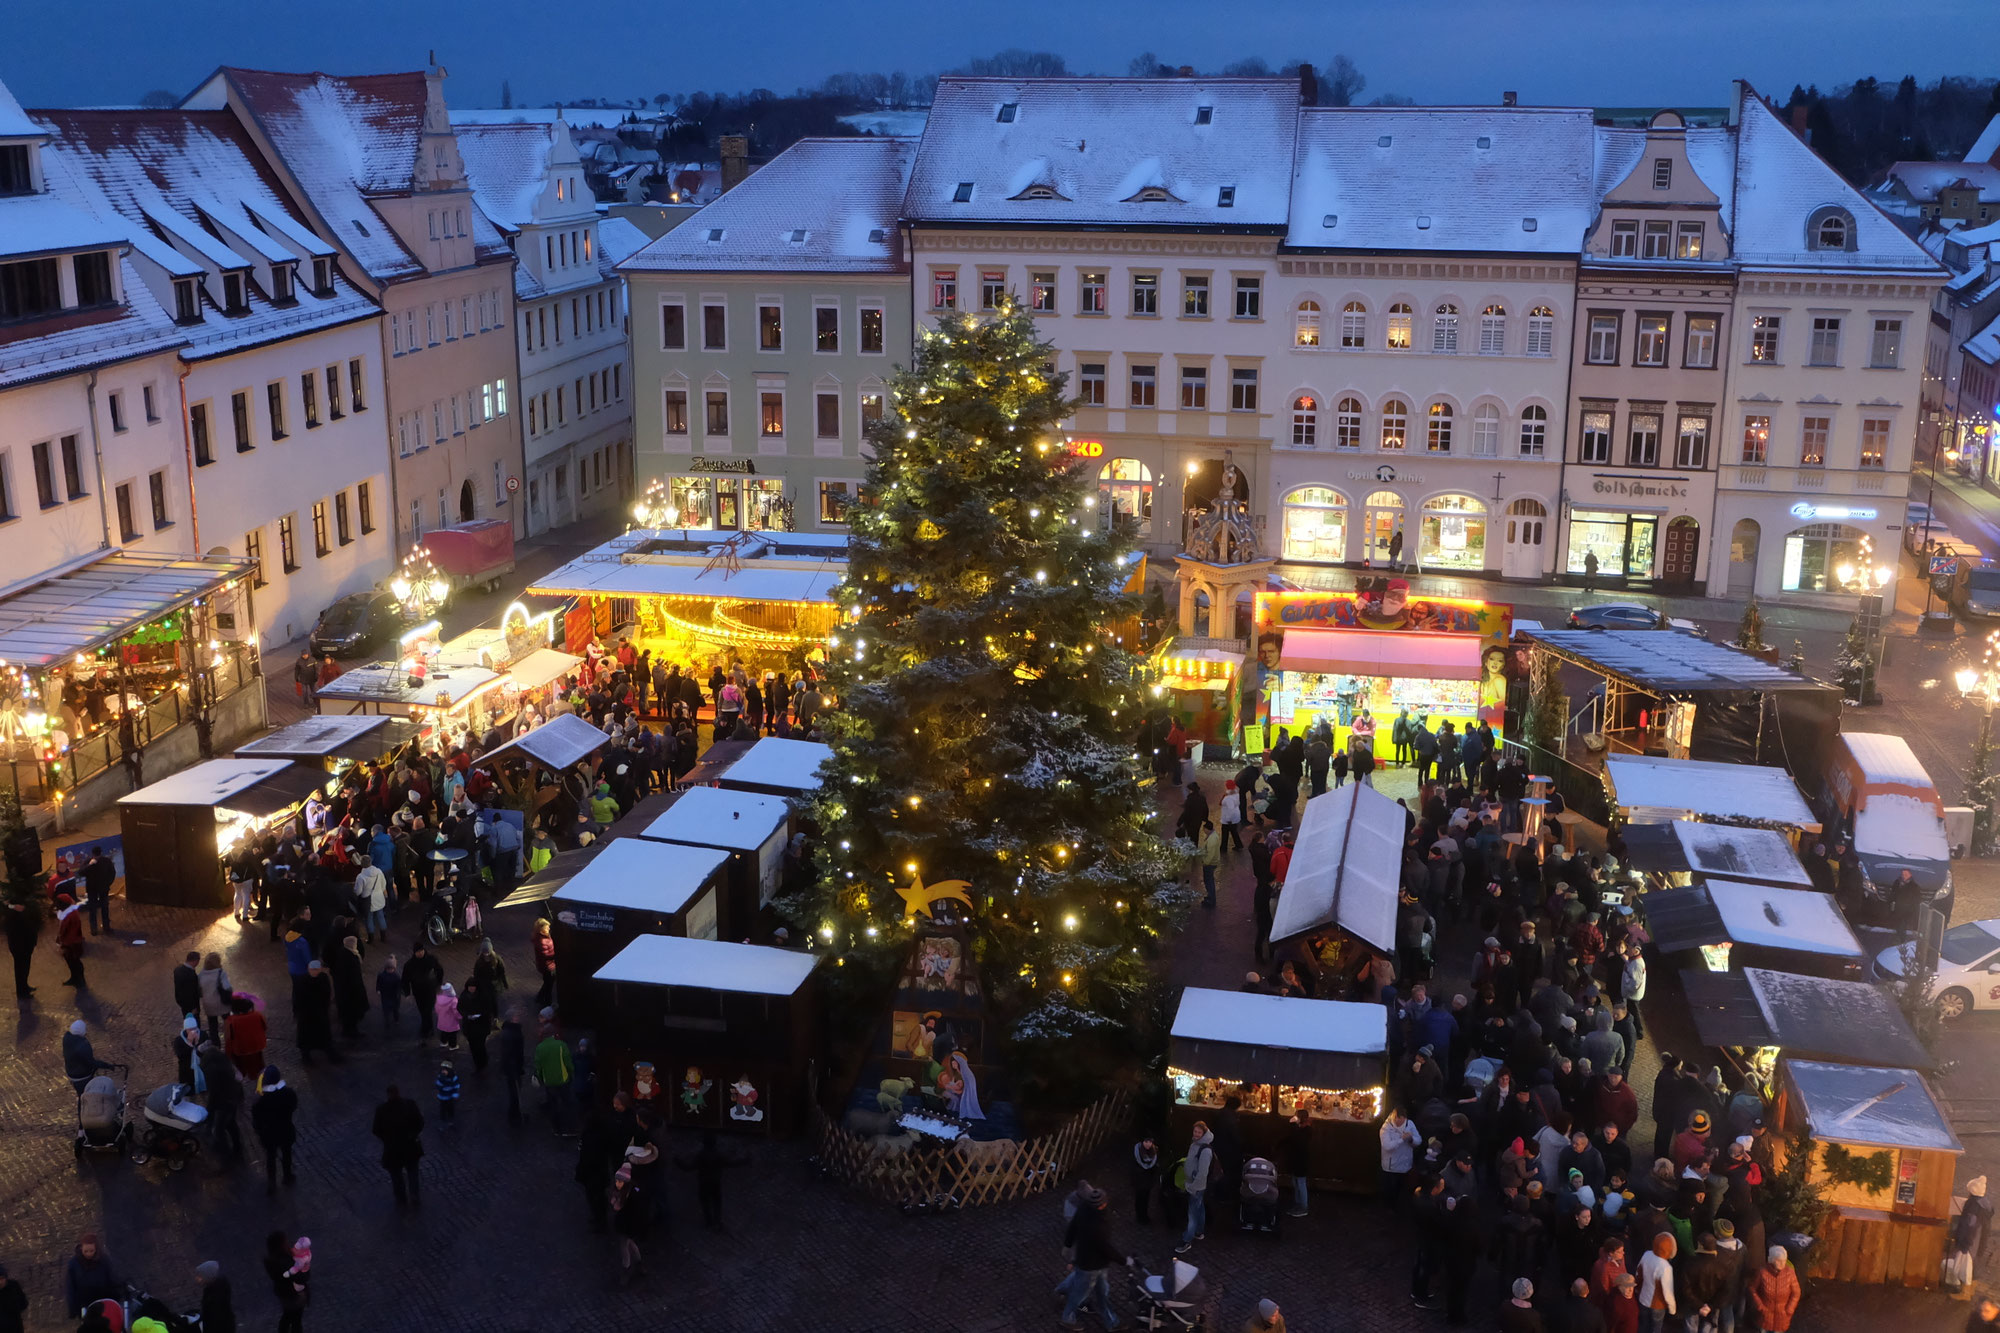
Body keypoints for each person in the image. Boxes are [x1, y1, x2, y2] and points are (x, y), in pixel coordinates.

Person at [1059, 1182, 1127, 1330]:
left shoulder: (1084, 1209)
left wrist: (1068, 1244)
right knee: (1080, 1294)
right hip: (1092, 1265)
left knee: (1101, 1293)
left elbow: (1073, 1226)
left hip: (1088, 1261)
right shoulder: (1097, 1225)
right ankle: (1067, 1318)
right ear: (1102, 1205)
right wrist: (1124, 1261)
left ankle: (1112, 1322)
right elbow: (1105, 1247)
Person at [675, 1129, 744, 1231]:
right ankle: (717, 1221)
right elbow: (731, 1163)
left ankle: (709, 1221)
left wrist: (677, 1161)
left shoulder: (701, 1156)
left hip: (704, 1182)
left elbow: (688, 1167)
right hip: (715, 1182)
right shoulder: (718, 1155)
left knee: (705, 1202)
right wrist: (745, 1160)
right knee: (716, 1202)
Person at [372, 1084, 425, 1208]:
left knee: (396, 1176)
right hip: (410, 1146)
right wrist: (413, 1134)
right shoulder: (410, 1105)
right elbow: (420, 1122)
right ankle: (414, 1195)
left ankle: (401, 1198)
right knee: (412, 1173)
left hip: (392, 1149)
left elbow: (376, 1130)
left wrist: (386, 1139)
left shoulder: (381, 1110)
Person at [251, 1066, 299, 1195]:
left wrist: (259, 1130)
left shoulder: (260, 1101)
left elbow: (256, 1120)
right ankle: (287, 1176)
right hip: (285, 1129)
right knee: (287, 1153)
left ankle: (272, 1184)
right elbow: (293, 1106)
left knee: (270, 1158)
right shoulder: (289, 1093)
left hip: (268, 1134)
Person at [1176, 1120, 1215, 1254]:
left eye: (1199, 1132)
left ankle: (1187, 1240)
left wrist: (1192, 1187)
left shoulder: (1205, 1151)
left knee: (1192, 1214)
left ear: (1203, 1133)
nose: (1196, 1134)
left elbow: (1202, 1173)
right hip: (1196, 1185)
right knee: (1200, 1208)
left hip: (1196, 1186)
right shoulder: (1196, 1144)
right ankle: (1199, 1232)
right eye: (1195, 1131)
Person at [294, 959, 338, 1064]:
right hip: (313, 1013)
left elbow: (298, 997)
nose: (314, 972)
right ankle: (313, 1054)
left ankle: (309, 1055)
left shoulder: (304, 979)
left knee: (310, 1035)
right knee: (316, 1034)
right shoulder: (321, 978)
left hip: (312, 1013)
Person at [263, 1231, 306, 1333]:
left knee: (287, 1316)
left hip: (283, 1294)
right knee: (296, 1320)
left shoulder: (271, 1260)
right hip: (293, 1295)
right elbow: (300, 1277)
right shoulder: (284, 1262)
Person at [536, 1026, 576, 1134]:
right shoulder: (561, 1045)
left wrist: (539, 1078)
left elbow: (538, 1067)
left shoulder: (540, 1048)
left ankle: (556, 1128)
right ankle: (569, 1128)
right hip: (563, 1080)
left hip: (549, 1082)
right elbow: (568, 1063)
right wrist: (572, 1073)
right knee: (567, 1103)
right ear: (554, 1034)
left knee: (553, 1105)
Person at [1379, 1105, 1421, 1205]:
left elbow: (1418, 1140)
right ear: (1394, 1117)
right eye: (1397, 1119)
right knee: (1391, 1190)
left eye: (1401, 1120)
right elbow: (1387, 1146)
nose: (1399, 1122)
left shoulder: (1410, 1124)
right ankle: (1390, 1207)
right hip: (1391, 1166)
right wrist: (1402, 1139)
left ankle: (1401, 1206)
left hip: (1405, 1164)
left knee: (1403, 1190)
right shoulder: (1385, 1129)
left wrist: (1411, 1139)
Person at [403, 942, 444, 1042]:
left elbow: (439, 970)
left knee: (427, 1010)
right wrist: (407, 992)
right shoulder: (409, 964)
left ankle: (426, 1030)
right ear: (414, 953)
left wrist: (438, 983)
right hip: (418, 991)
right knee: (422, 1010)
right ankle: (428, 1027)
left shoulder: (431, 959)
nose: (420, 953)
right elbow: (405, 979)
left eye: (421, 951)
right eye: (418, 952)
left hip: (430, 989)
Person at [1637, 1233, 1676, 1333]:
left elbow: (1638, 1273)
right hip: (1658, 1304)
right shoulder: (1666, 1267)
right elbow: (1668, 1292)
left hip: (1643, 1298)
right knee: (1656, 1328)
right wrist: (1672, 1308)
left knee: (1643, 1325)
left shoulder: (1647, 1254)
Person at [62, 1019, 112, 1094]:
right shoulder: (82, 1045)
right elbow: (90, 1062)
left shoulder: (67, 1039)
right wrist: (106, 1065)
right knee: (87, 1094)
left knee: (81, 1094)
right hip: (82, 1076)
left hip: (72, 1073)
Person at [498, 1006, 528, 1124]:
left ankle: (516, 1113)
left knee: (515, 1091)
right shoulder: (511, 1033)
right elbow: (509, 1053)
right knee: (515, 1092)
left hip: (513, 1066)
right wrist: (514, 1067)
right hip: (513, 1067)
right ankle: (515, 1116)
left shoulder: (512, 1030)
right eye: (517, 1016)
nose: (519, 1018)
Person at [4, 898, 36, 1000]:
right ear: (15, 906)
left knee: (24, 968)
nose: (22, 907)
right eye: (20, 905)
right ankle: (22, 992)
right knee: (20, 970)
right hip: (20, 948)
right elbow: (18, 933)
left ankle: (24, 987)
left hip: (25, 947)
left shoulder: (20, 913)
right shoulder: (12, 917)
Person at [193, 1260, 235, 1333]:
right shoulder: (211, 1289)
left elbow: (215, 1314)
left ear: (207, 1275)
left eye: (200, 1276)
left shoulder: (217, 1290)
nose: (197, 1279)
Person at [81, 847, 116, 935]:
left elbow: (112, 873)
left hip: (99, 889)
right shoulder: (92, 862)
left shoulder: (105, 861)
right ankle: (98, 928)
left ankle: (102, 927)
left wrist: (107, 884)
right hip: (95, 889)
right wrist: (90, 865)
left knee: (100, 908)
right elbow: (81, 872)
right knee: (97, 908)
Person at [54, 894, 85, 987]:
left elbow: (64, 929)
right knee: (73, 961)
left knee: (74, 962)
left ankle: (79, 979)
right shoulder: (71, 912)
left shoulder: (69, 915)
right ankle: (76, 978)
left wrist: (60, 939)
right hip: (73, 941)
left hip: (71, 942)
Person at [1129, 1138, 1160, 1224]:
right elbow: (1133, 1168)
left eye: (1150, 1142)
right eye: (1146, 1142)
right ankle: (1139, 1216)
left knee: (1146, 1199)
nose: (1148, 1144)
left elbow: (1154, 1168)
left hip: (1147, 1182)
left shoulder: (1154, 1152)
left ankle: (1144, 1216)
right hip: (1139, 1180)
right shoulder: (1137, 1151)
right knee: (1139, 1199)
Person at [1196, 820, 1221, 909]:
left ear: (1207, 829)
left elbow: (1211, 854)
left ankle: (1211, 899)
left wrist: (1205, 862)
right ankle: (1210, 897)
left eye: (1204, 829)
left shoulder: (1212, 840)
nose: (1203, 830)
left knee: (1209, 882)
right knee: (1208, 881)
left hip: (1209, 864)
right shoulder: (1212, 836)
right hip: (1210, 862)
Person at [0, 1261, 25, 1333]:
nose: (0, 1282)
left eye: (2, 1278)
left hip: (15, 1326)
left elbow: (23, 1303)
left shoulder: (14, 1286)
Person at [435, 1059, 461, 1124]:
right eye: (443, 1069)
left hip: (450, 1096)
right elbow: (438, 1085)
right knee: (442, 1107)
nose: (443, 1071)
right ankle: (443, 1117)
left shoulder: (454, 1078)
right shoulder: (440, 1077)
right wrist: (441, 1081)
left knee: (450, 1106)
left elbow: (456, 1086)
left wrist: (455, 1093)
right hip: (442, 1095)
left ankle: (451, 1115)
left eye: (445, 1070)